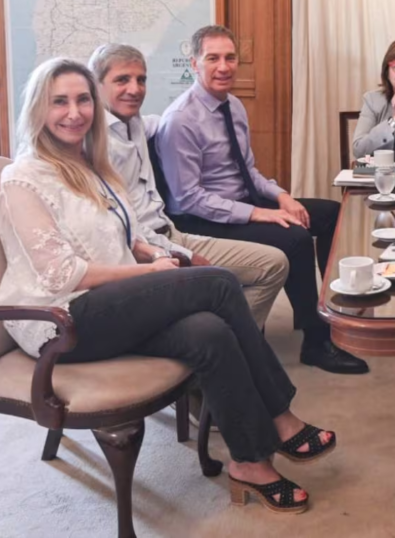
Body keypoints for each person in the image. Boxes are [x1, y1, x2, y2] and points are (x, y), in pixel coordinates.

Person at [0, 57, 338, 514]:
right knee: (219, 285)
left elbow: (125, 237)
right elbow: (61, 274)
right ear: (38, 109)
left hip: (111, 304)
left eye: (83, 100)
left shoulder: (90, 166)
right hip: (63, 320)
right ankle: (281, 417)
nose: (74, 112)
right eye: (60, 102)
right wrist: (152, 274)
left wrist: (157, 254)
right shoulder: (22, 177)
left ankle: (249, 463)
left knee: (209, 332)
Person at [155, 25, 368, 375]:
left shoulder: (234, 106)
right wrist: (257, 214)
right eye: (213, 58)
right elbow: (188, 198)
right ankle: (316, 341)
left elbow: (249, 171)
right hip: (202, 220)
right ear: (194, 63)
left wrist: (282, 196)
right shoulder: (180, 121)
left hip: (241, 200)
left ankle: (333, 312)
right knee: (295, 238)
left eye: (230, 58)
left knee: (330, 213)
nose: (223, 67)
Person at [89, 43, 288, 329]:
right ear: (97, 85)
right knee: (223, 286)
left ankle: (235, 339)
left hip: (169, 231)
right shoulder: (95, 144)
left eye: (141, 80)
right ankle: (230, 340)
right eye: (122, 80)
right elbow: (122, 227)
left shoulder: (135, 123)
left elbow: (164, 122)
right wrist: (181, 254)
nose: (134, 89)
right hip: (143, 251)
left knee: (275, 263)